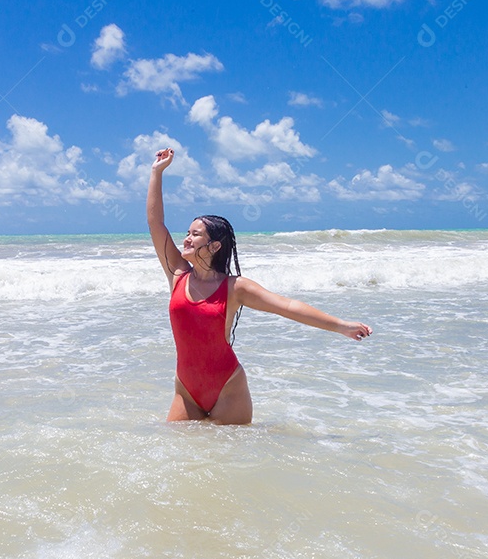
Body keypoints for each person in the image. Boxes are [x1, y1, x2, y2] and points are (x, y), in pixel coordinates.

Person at [147, 147, 372, 425]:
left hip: (228, 389)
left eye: (196, 234)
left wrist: (341, 325)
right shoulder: (177, 274)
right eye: (187, 233)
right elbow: (156, 223)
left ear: (214, 246)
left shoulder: (234, 288)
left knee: (233, 463)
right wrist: (156, 173)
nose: (187, 239)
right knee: (180, 457)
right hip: (186, 391)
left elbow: (287, 307)